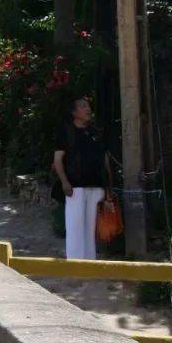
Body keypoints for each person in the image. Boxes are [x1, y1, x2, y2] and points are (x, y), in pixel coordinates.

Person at [53, 97, 113, 260]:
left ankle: (89, 262)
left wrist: (108, 188)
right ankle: (75, 263)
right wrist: (65, 182)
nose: (88, 109)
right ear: (74, 112)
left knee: (89, 229)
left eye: (88, 106)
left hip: (96, 185)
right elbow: (58, 159)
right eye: (83, 106)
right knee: (75, 227)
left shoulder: (96, 132)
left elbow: (104, 160)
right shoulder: (66, 131)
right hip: (76, 187)